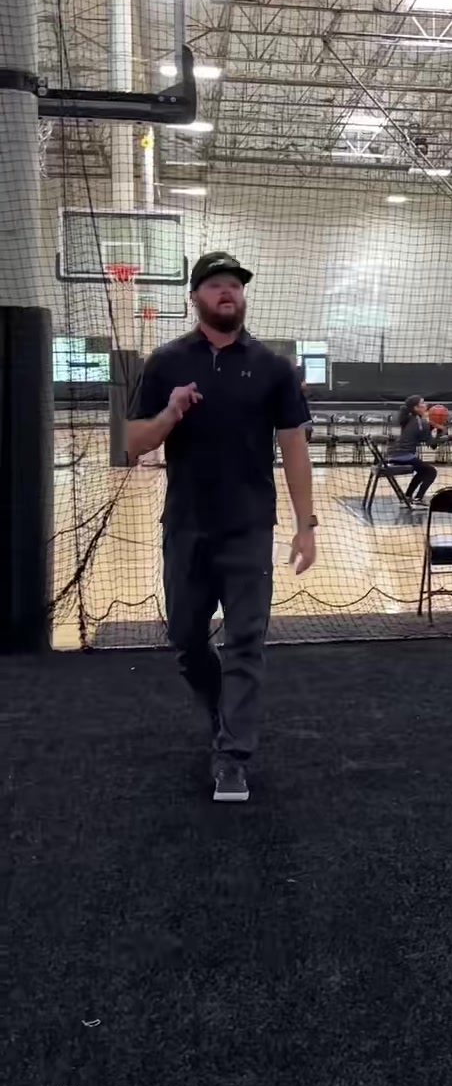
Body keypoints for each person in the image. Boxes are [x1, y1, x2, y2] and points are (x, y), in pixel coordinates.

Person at [127, 251, 317, 803]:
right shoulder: (165, 362)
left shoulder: (274, 367)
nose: (227, 291)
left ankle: (233, 756)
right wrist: (170, 413)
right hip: (186, 527)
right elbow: (131, 445)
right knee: (186, 641)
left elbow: (295, 448)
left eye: (235, 284)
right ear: (195, 298)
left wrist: (305, 525)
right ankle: (220, 714)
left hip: (249, 529)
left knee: (245, 642)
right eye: (215, 285)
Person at [389, 395, 440, 513]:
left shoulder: (408, 418)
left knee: (423, 470)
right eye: (423, 403)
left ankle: (407, 497)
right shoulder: (421, 423)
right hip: (404, 455)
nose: (426, 405)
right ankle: (418, 499)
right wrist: (441, 432)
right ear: (416, 408)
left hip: (393, 454)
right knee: (431, 471)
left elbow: (404, 408)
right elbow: (432, 445)